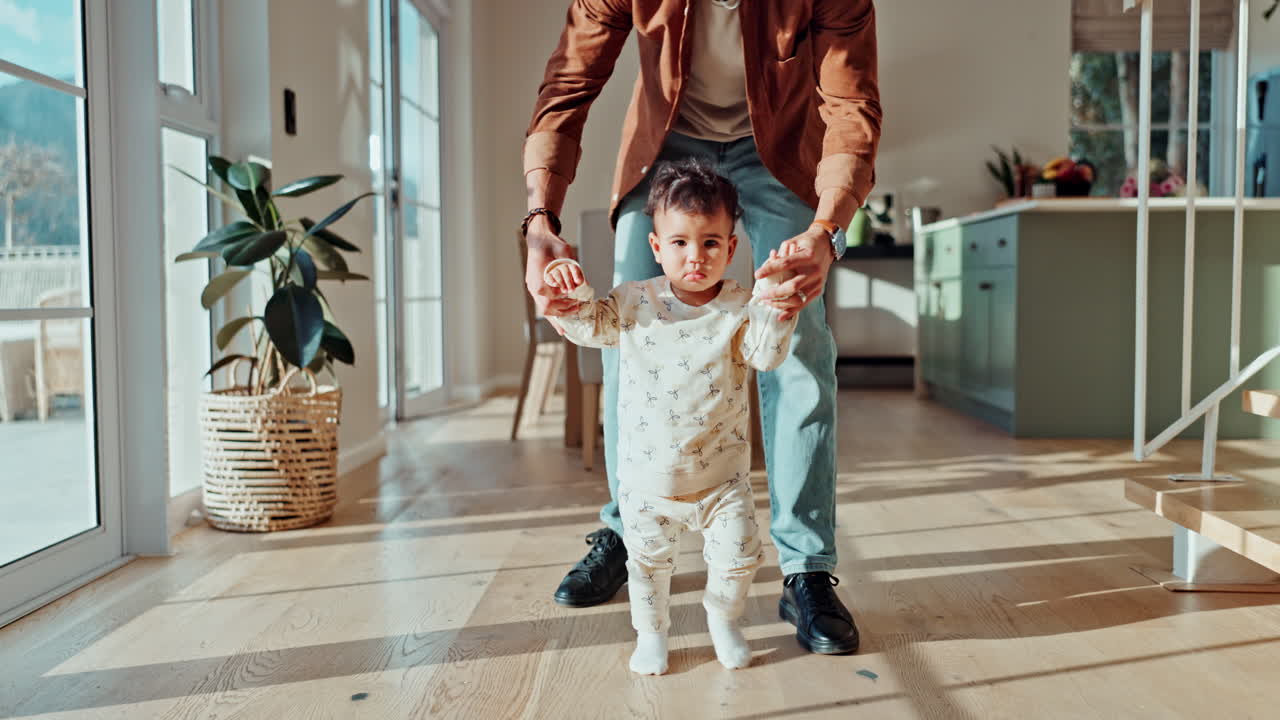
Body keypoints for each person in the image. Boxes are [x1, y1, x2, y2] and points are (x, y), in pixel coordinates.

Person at [521, 0, 880, 655]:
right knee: (629, 329)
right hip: (665, 143)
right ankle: (627, 527)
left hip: (777, 148)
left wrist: (826, 230)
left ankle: (806, 567)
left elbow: (851, 102)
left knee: (801, 341)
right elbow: (570, 78)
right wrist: (540, 218)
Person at [544, 159, 796, 674]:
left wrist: (776, 312)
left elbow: (766, 357)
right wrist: (567, 292)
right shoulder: (635, 300)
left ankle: (722, 618)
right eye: (679, 242)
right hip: (647, 480)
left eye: (710, 243)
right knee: (648, 567)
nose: (695, 256)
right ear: (657, 247)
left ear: (731, 247)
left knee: (740, 558)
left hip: (721, 479)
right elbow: (587, 327)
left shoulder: (739, 306)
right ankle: (651, 635)